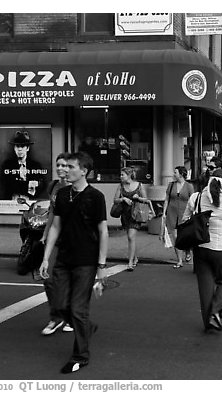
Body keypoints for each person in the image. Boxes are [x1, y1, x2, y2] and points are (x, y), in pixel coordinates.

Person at [39, 151, 108, 374]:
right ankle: (86, 327)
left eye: (70, 167)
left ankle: (81, 355)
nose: (65, 170)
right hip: (64, 259)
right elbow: (56, 226)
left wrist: (102, 266)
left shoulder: (95, 196)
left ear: (84, 171)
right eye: (65, 166)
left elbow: (103, 230)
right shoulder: (62, 195)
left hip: (86, 262)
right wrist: (46, 257)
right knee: (59, 306)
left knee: (78, 310)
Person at [183, 168, 222, 332]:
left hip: (201, 246)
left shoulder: (197, 197)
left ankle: (208, 320)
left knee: (205, 285)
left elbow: (185, 219)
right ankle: (215, 311)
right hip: (221, 247)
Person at [39, 152, 74, 335]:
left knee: (69, 281)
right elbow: (53, 212)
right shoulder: (54, 186)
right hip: (55, 238)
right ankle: (56, 317)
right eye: (58, 165)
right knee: (47, 278)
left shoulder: (77, 188)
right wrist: (45, 233)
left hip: (73, 240)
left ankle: (69, 316)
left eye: (64, 165)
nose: (60, 168)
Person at [112, 167, 149, 271]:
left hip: (136, 214)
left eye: (122, 174)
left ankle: (130, 262)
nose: (120, 176)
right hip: (125, 214)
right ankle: (135, 257)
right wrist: (123, 199)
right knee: (130, 238)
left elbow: (146, 200)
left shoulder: (139, 185)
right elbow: (115, 200)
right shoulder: (120, 186)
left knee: (131, 236)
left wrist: (138, 198)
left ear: (128, 175)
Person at [163, 166, 195, 269]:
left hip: (184, 213)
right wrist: (164, 212)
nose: (173, 174)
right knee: (175, 236)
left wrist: (193, 213)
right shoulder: (171, 185)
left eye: (175, 172)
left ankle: (187, 250)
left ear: (181, 174)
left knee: (184, 236)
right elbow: (167, 199)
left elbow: (192, 200)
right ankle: (179, 260)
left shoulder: (189, 186)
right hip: (172, 213)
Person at [1, 130, 48, 200]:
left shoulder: (36, 166)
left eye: (22, 146)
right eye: (17, 146)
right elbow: (6, 185)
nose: (19, 149)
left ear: (28, 148)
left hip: (31, 201)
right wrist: (28, 185)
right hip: (12, 201)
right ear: (14, 148)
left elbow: (42, 185)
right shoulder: (7, 165)